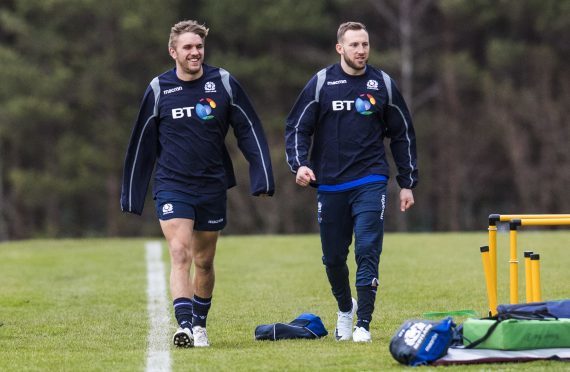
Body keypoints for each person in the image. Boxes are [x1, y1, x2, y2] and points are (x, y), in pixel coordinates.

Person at [121, 20, 275, 348]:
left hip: (211, 185)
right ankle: (186, 326)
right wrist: (132, 194)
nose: (195, 53)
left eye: (199, 47)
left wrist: (261, 174)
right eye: (188, 47)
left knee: (204, 261)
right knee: (180, 253)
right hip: (172, 184)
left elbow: (248, 128)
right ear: (173, 51)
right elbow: (142, 142)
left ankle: (200, 324)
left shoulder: (223, 83)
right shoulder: (159, 89)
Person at [285, 21, 418, 343]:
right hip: (329, 184)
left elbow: (402, 135)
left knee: (368, 248)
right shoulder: (321, 83)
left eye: (365, 44)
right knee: (332, 258)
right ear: (340, 48)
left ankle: (363, 324)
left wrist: (407, 182)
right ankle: (346, 309)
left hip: (370, 179)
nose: (361, 50)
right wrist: (299, 165)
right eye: (355, 45)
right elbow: (297, 127)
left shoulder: (382, 84)